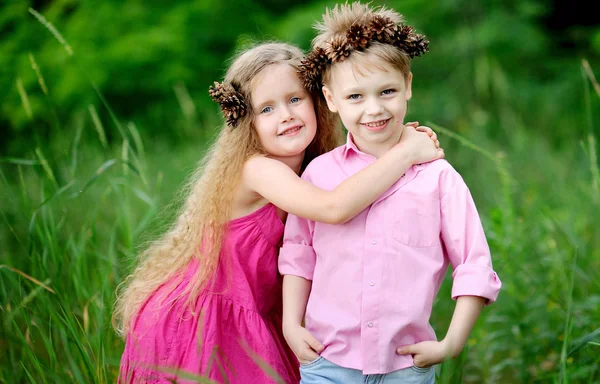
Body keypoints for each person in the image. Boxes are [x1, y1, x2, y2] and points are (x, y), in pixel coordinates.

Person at [113, 41, 444, 384]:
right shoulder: (257, 169)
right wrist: (405, 153)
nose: (285, 114)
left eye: (294, 99)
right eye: (266, 109)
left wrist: (396, 140)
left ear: (319, 101)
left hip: (258, 311)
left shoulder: (316, 169)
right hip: (203, 317)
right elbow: (334, 209)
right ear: (246, 122)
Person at [279, 3, 502, 383]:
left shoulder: (438, 178)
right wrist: (290, 324)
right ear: (331, 100)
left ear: (408, 86)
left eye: (387, 91)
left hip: (406, 368)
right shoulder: (320, 174)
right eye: (355, 97)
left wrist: (450, 344)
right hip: (328, 363)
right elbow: (300, 255)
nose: (374, 109)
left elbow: (474, 265)